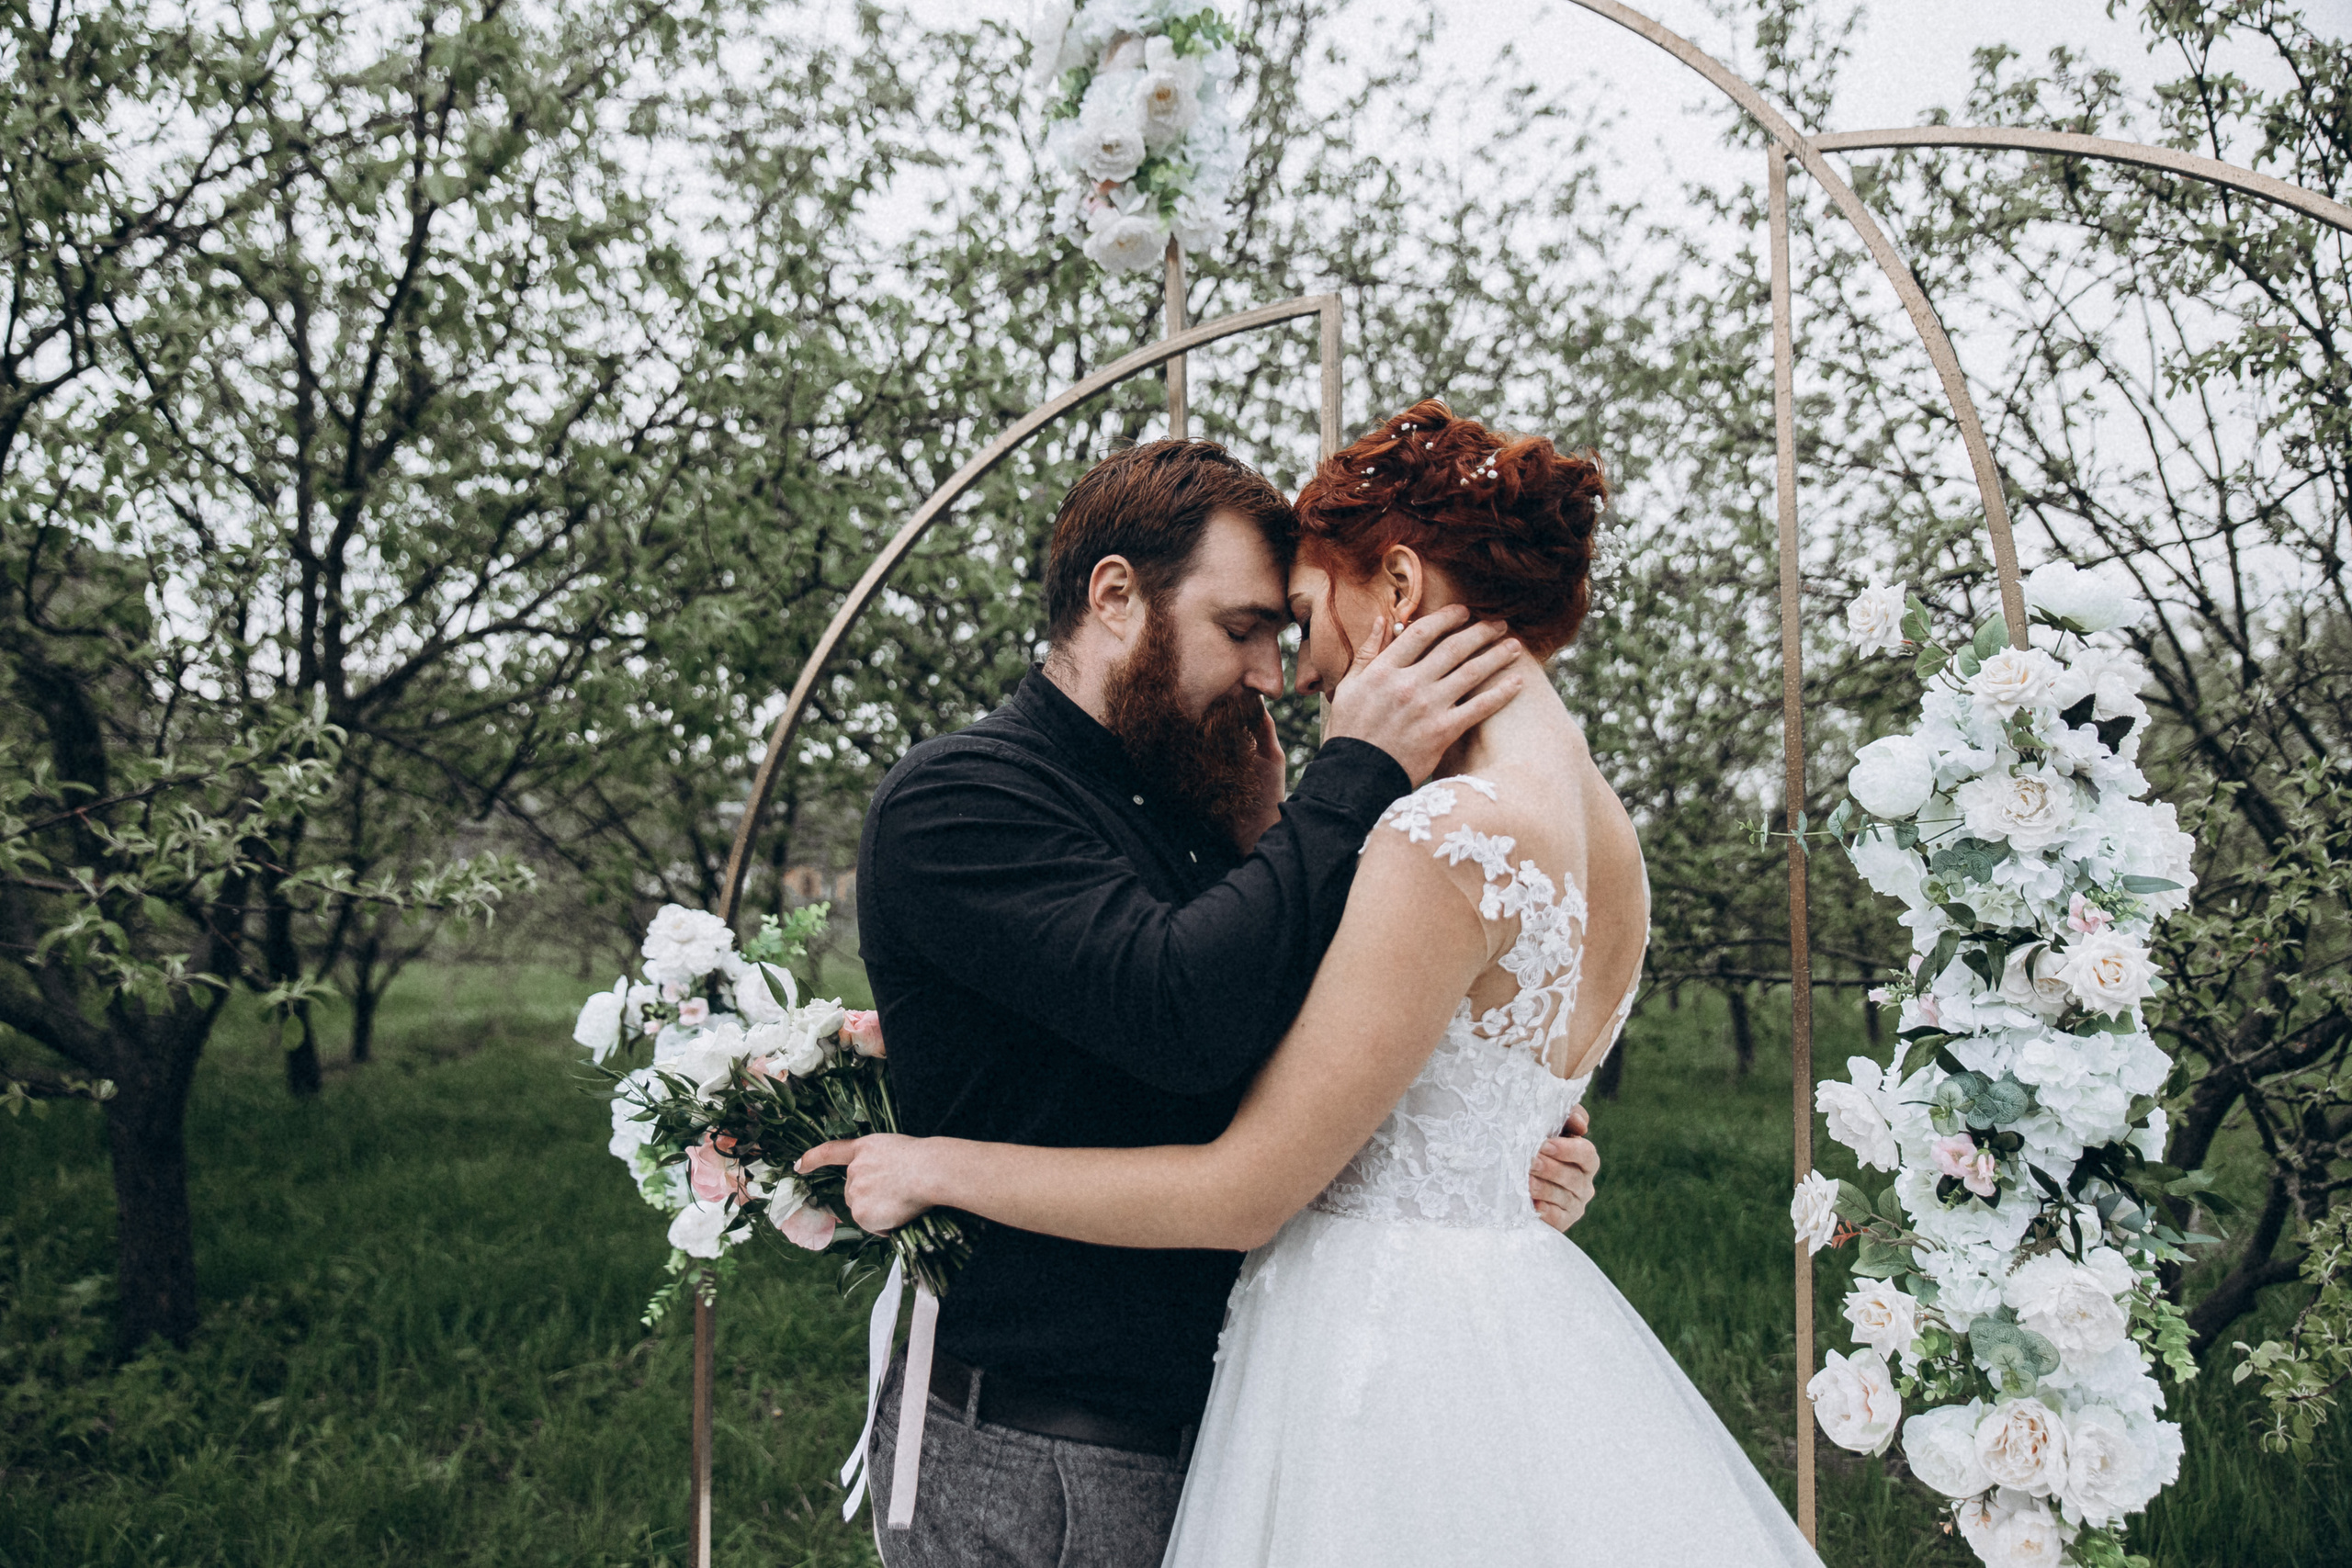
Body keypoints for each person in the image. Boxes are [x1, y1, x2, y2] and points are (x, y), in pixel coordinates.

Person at [810, 400, 1824, 1567]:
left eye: (1286, 624)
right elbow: (1179, 1006)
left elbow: (1278, 1039)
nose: (1277, 673)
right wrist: (1345, 781)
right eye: (1244, 627)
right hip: (1049, 1433)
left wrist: (1503, 1156)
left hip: (1305, 1392)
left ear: (1392, 587)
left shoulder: (1289, 805)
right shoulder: (964, 795)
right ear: (1113, 596)